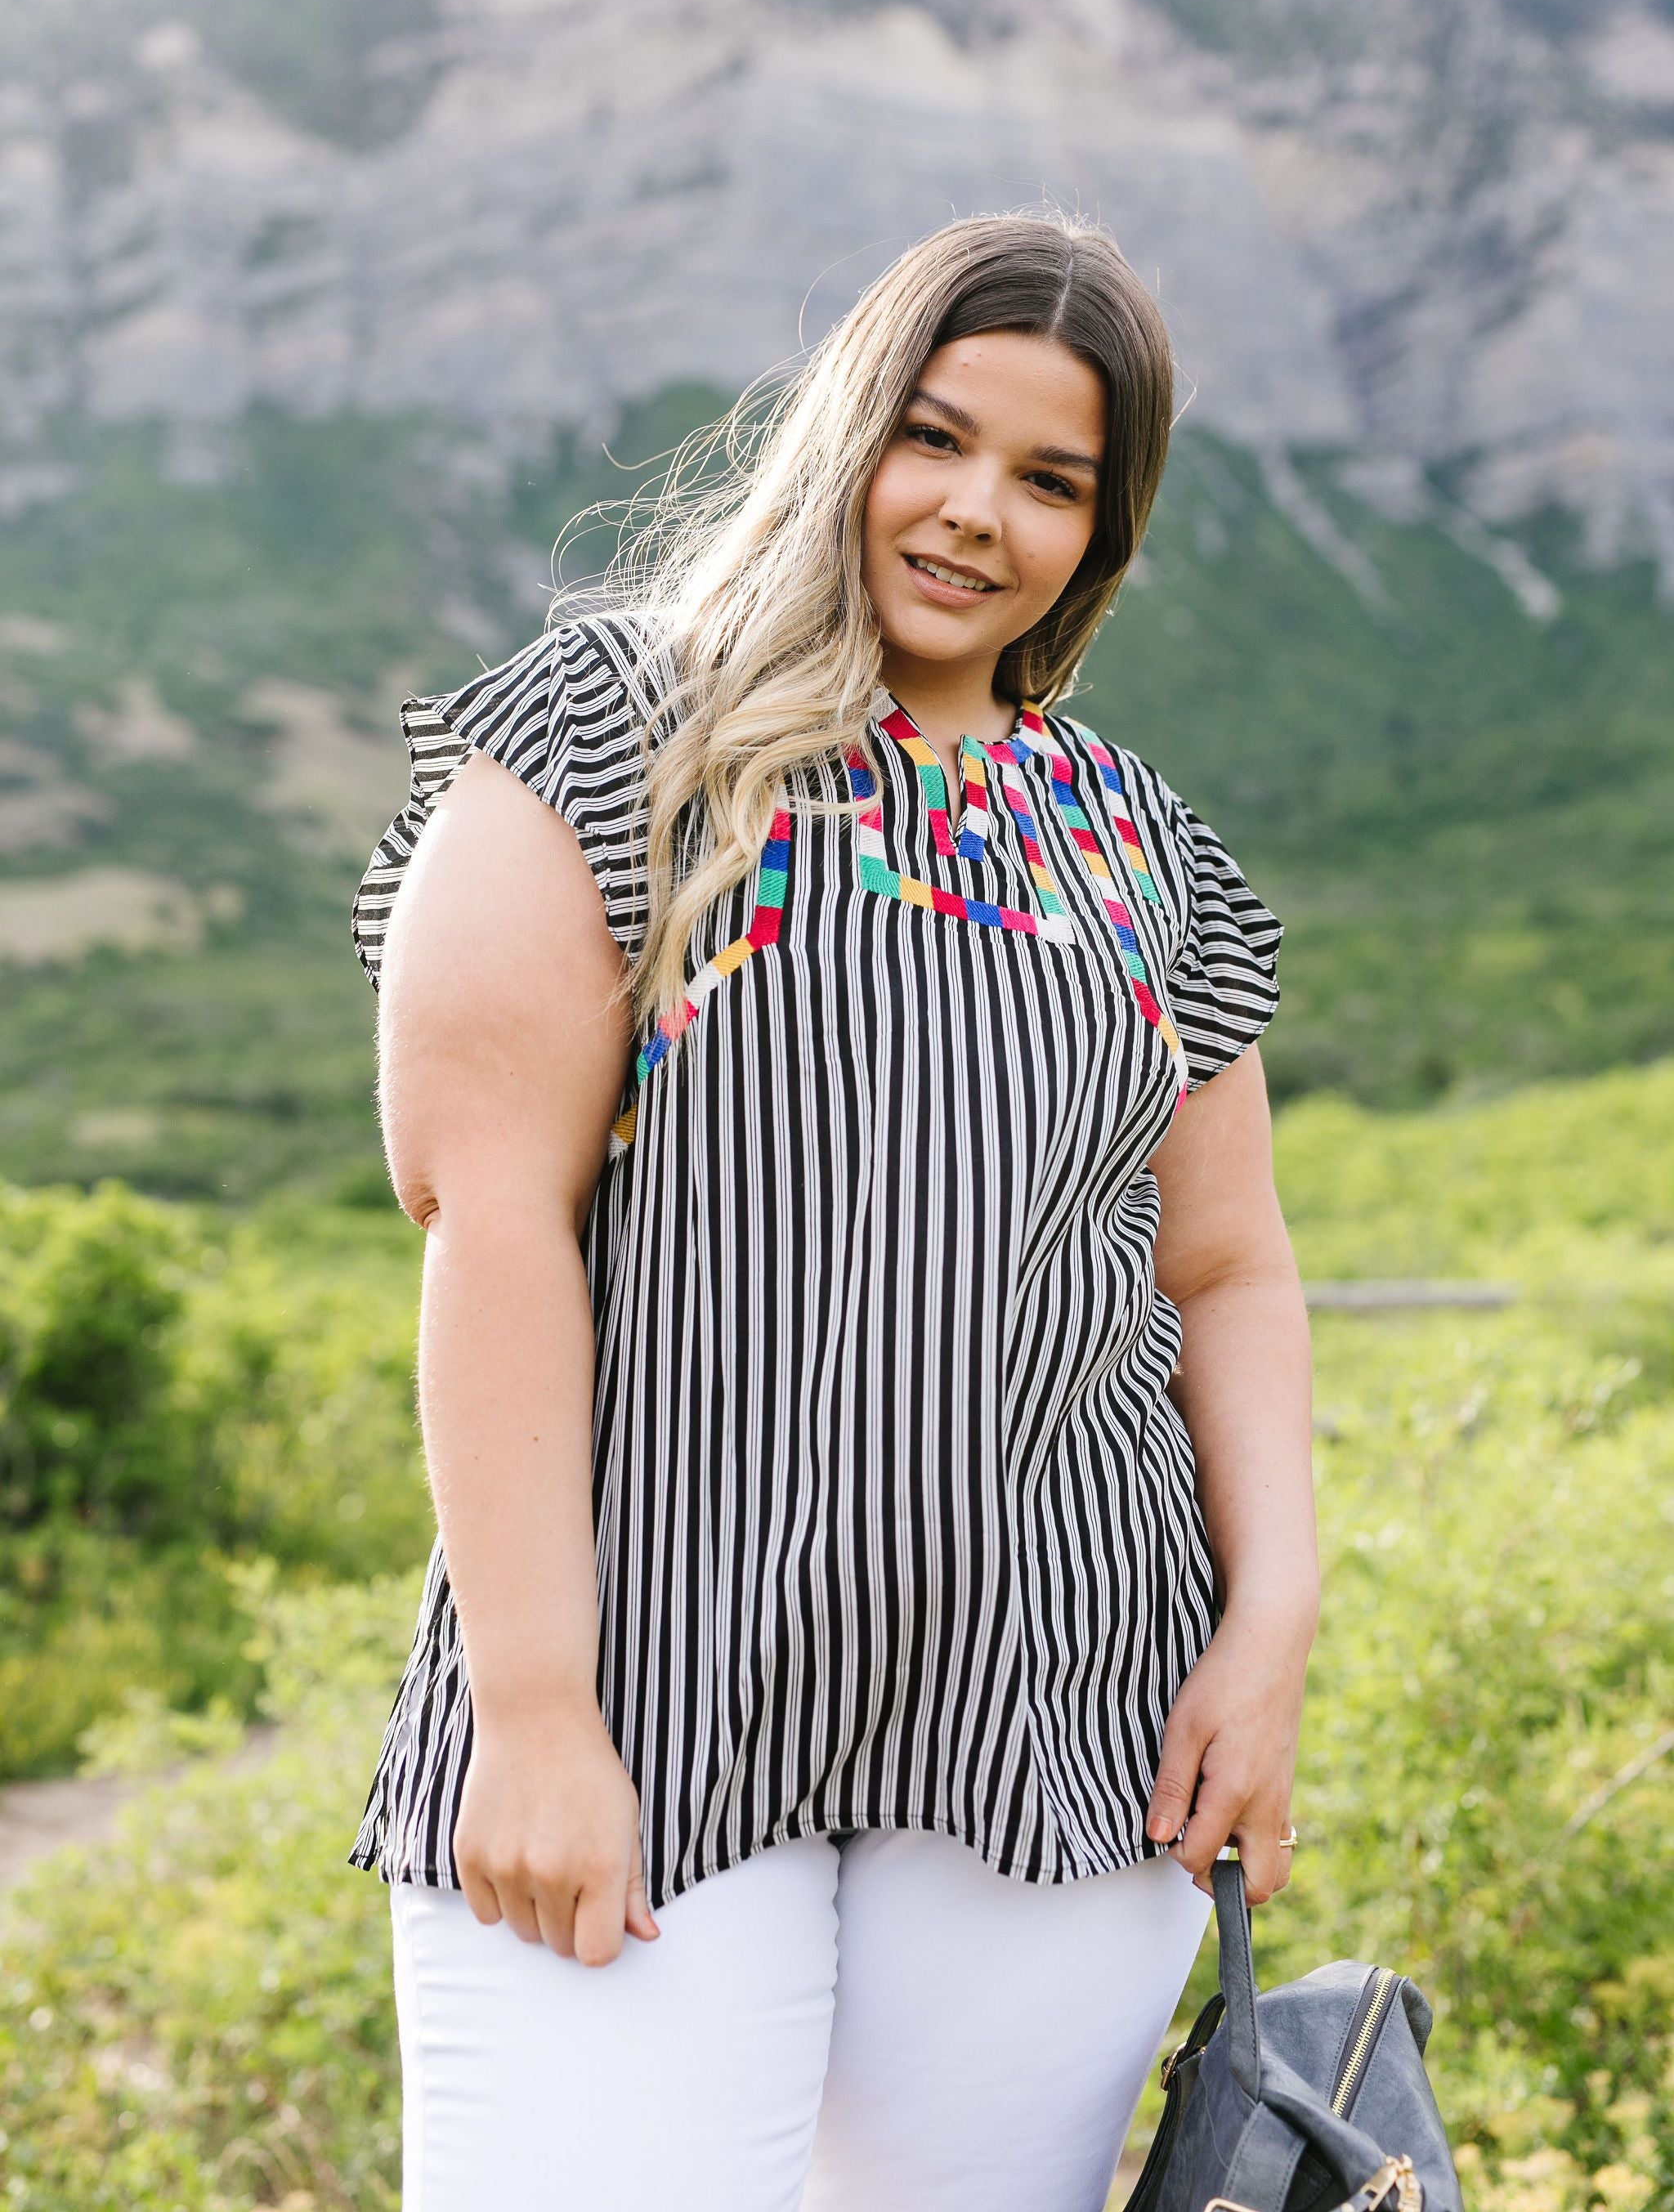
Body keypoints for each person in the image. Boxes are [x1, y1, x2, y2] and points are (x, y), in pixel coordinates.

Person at [344, 213, 1318, 2212]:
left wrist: (1272, 1624)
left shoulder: (1146, 856)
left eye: (1052, 481)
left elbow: (1220, 1265)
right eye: (935, 438)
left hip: (1060, 1726)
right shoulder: (609, 738)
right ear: (843, 427)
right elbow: (488, 1215)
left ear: (1102, 535)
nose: (977, 515)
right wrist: (532, 1712)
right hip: (645, 1693)